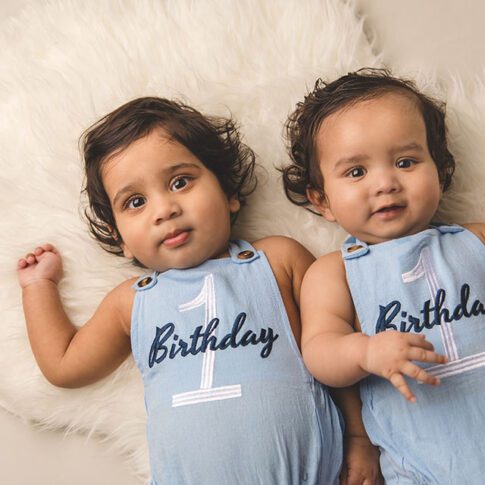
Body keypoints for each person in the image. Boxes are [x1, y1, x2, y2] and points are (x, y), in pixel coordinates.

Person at [17, 97, 380, 484]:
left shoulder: (278, 261)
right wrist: (38, 286)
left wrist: (360, 436)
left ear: (228, 193)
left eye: (180, 182)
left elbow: (340, 343)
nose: (164, 209)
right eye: (135, 202)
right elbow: (63, 365)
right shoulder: (131, 302)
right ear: (120, 237)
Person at [282, 68, 485, 484]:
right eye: (356, 172)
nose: (385, 183)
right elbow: (320, 352)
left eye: (406, 162)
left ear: (440, 171)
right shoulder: (334, 273)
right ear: (323, 200)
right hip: (421, 465)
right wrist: (366, 353)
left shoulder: (475, 240)